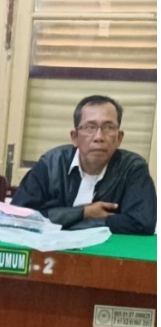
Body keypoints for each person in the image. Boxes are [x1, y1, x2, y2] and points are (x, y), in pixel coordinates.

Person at [12, 95, 156, 235]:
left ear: (119, 138)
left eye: (108, 127)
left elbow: (142, 222)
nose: (99, 137)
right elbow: (18, 216)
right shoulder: (51, 164)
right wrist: (85, 212)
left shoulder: (132, 168)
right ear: (75, 137)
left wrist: (69, 222)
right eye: (90, 127)